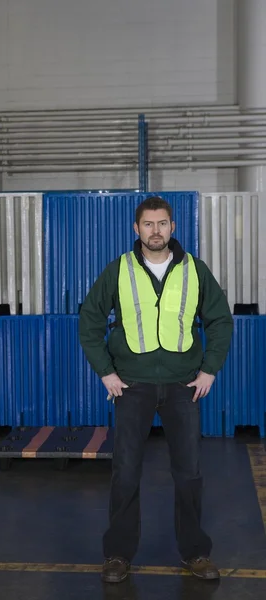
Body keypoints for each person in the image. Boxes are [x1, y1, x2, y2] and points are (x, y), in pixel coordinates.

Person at [79, 196, 233, 583]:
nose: (156, 231)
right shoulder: (119, 270)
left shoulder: (195, 270)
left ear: (173, 228)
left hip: (184, 386)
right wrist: (106, 373)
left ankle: (196, 553)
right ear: (137, 229)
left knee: (189, 473)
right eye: (148, 224)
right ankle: (117, 555)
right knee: (126, 472)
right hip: (132, 386)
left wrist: (209, 371)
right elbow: (90, 320)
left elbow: (220, 320)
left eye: (162, 223)